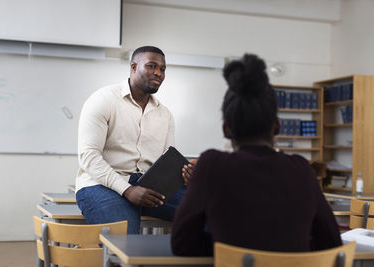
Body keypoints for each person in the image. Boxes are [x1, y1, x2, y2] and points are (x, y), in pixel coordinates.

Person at [170, 54, 342, 256]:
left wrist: (229, 249)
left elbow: (182, 243)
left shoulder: (212, 165)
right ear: (277, 125)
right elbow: (331, 242)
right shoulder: (301, 169)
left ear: (226, 129)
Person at [75, 46, 194, 234]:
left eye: (162, 69)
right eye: (151, 66)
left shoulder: (165, 114)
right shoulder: (103, 100)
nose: (158, 73)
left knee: (210, 211)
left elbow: (165, 161)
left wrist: (183, 176)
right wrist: (128, 190)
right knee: (124, 241)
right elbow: (89, 157)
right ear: (133, 67)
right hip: (102, 184)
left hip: (150, 185)